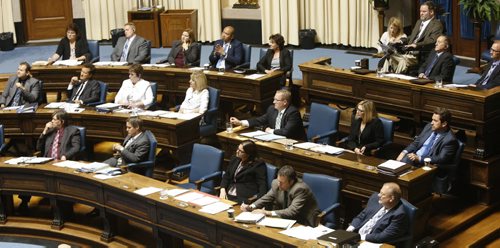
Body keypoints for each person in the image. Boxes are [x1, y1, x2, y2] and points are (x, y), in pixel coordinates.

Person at [240, 165, 320, 227]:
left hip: (303, 220)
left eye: (282, 182)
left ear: (291, 182)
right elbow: (266, 198)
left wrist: (267, 212)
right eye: (278, 181)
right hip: (285, 218)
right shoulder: (276, 184)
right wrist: (251, 206)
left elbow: (292, 211)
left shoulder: (300, 189)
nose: (279, 184)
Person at [230, 89, 306, 141]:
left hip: (294, 142)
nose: (273, 102)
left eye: (276, 100)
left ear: (285, 102)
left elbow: (286, 132)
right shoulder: (272, 109)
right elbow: (259, 120)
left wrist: (271, 131)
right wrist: (241, 122)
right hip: (276, 140)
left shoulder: (293, 112)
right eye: (274, 99)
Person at [396, 1, 444, 74]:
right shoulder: (419, 22)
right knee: (389, 56)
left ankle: (397, 81)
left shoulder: (437, 24)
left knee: (402, 60)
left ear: (431, 12)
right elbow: (412, 37)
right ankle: (384, 79)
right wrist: (402, 40)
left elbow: (432, 40)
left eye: (424, 11)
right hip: (408, 51)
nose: (421, 13)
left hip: (420, 53)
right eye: (420, 11)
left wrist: (417, 45)